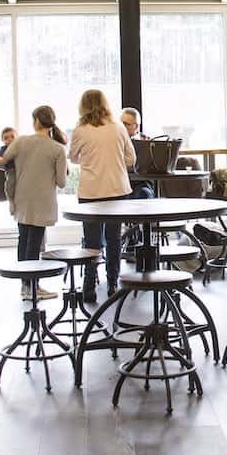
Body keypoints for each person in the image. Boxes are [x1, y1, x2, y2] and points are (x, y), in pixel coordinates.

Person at [70, 90, 136, 300]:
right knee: (114, 238)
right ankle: (113, 283)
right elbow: (131, 159)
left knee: (92, 241)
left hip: (90, 190)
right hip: (116, 188)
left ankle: (89, 285)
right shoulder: (118, 127)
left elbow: (73, 157)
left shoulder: (81, 130)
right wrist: (114, 162)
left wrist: (89, 161)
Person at [0, 106, 67, 301]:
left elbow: (1, 163)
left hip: (22, 198)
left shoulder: (20, 142)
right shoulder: (57, 148)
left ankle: (26, 285)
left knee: (24, 240)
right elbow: (62, 182)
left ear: (35, 121)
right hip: (43, 202)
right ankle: (32, 287)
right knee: (35, 244)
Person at [119, 107, 154, 200]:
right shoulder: (115, 142)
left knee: (143, 194)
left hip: (141, 183)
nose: (121, 127)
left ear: (137, 126)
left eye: (126, 124)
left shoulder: (147, 142)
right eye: (120, 124)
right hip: (121, 184)